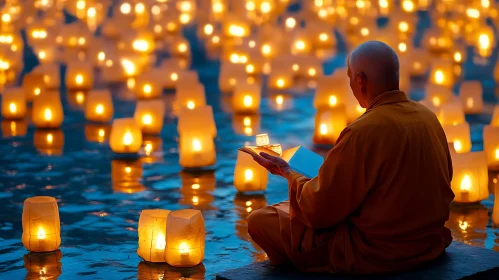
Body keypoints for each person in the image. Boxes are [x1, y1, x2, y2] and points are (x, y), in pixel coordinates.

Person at [247, 41, 455, 274]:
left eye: (350, 78)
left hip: (376, 253)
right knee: (290, 209)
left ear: (361, 80)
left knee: (261, 220)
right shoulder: (428, 117)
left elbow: (319, 211)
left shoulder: (363, 130)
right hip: (427, 243)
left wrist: (288, 172)